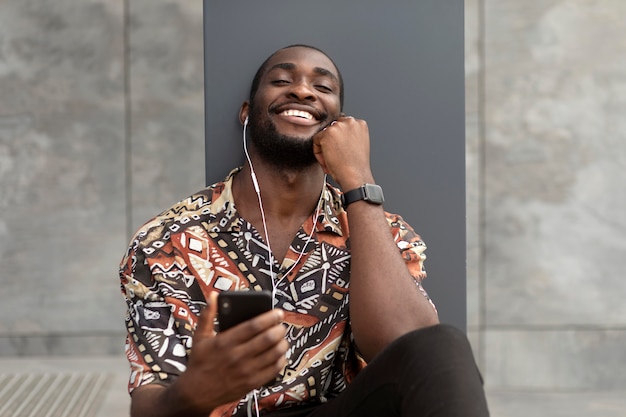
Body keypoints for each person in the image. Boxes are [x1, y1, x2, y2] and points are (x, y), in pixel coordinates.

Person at [119, 44, 489, 417]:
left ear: (339, 127)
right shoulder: (166, 241)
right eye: (281, 80)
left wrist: (358, 179)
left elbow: (409, 346)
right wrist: (192, 393)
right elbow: (148, 406)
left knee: (444, 346)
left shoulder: (380, 231)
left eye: (323, 87)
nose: (303, 90)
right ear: (247, 113)